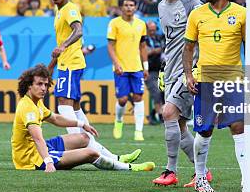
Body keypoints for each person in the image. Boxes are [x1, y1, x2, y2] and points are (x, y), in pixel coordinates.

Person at [49, 0, 140, 162]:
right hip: (68, 63)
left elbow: (79, 30)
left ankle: (79, 142)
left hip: (70, 64)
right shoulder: (58, 12)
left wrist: (64, 46)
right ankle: (112, 156)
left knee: (63, 104)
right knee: (74, 108)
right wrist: (52, 65)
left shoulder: (70, 9)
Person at [12, 64, 154, 172]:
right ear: (29, 86)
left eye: (45, 84)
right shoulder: (27, 108)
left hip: (40, 149)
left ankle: (116, 158)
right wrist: (48, 161)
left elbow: (55, 118)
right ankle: (130, 167)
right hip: (31, 158)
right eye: (39, 84)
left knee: (84, 137)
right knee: (90, 154)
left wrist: (81, 124)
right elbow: (37, 139)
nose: (44, 88)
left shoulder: (36, 102)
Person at [182, 0, 246, 192]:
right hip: (206, 80)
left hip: (234, 80)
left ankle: (246, 180)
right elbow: (188, 48)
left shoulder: (241, 14)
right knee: (205, 130)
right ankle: (200, 177)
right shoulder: (197, 14)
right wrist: (189, 75)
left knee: (239, 126)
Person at [152, 0, 211, 187]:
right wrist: (163, 68)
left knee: (168, 113)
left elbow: (201, 39)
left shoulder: (193, 6)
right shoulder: (160, 6)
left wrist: (195, 70)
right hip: (170, 70)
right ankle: (201, 172)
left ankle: (170, 170)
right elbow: (170, 41)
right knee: (181, 125)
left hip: (188, 72)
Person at [107, 0, 149, 141]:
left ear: (135, 8)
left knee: (138, 97)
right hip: (121, 68)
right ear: (121, 8)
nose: (129, 8)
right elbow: (110, 46)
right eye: (126, 5)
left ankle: (139, 131)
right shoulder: (114, 23)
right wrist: (116, 63)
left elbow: (143, 46)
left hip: (137, 67)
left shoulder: (141, 24)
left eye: (132, 5)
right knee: (123, 99)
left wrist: (146, 66)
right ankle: (118, 121)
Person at [144, 21, 164, 125]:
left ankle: (152, 115)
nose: (152, 32)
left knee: (162, 93)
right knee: (156, 93)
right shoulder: (143, 39)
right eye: (150, 30)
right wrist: (157, 50)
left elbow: (163, 49)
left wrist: (154, 50)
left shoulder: (159, 38)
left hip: (160, 70)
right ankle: (161, 117)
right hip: (149, 71)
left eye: (154, 30)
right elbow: (146, 52)